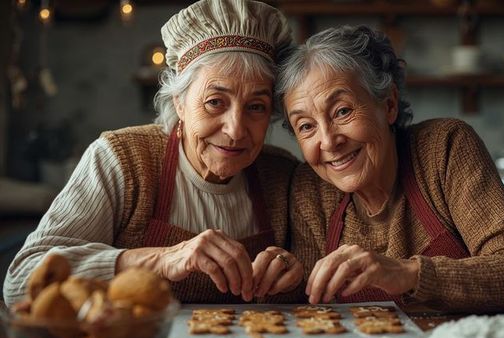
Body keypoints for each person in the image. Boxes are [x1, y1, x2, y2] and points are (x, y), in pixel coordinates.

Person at [3, 0, 304, 306]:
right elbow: (20, 282)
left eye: (256, 107)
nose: (236, 130)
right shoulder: (121, 159)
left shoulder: (282, 174)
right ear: (179, 103)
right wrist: (161, 260)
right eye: (215, 102)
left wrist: (291, 274)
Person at [276, 25, 504, 312]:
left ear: (389, 104)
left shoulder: (443, 149)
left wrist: (409, 274)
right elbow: (306, 303)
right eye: (306, 126)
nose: (329, 142)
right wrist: (281, 280)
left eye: (342, 111)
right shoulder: (310, 188)